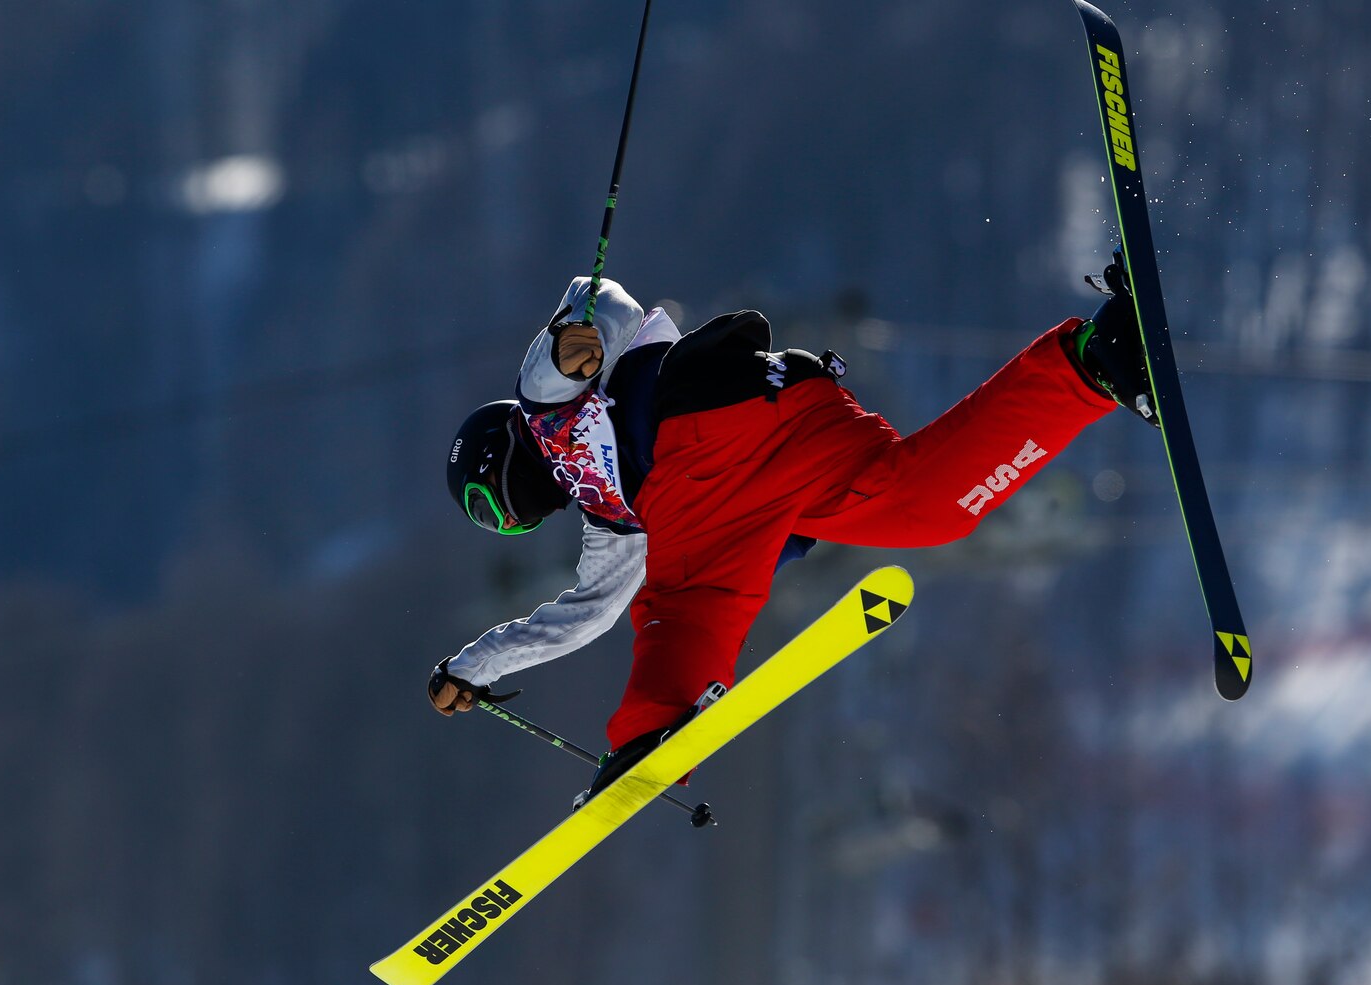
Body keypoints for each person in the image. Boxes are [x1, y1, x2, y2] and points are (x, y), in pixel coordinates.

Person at [430, 250, 1156, 804]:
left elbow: (600, 298)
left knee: (685, 599)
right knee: (921, 505)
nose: (513, 524)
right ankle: (1095, 361)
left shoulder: (543, 403)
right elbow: (579, 619)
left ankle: (657, 729)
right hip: (780, 418)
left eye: (495, 511)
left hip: (700, 425)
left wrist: (572, 345)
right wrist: (474, 666)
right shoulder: (609, 524)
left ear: (499, 455)